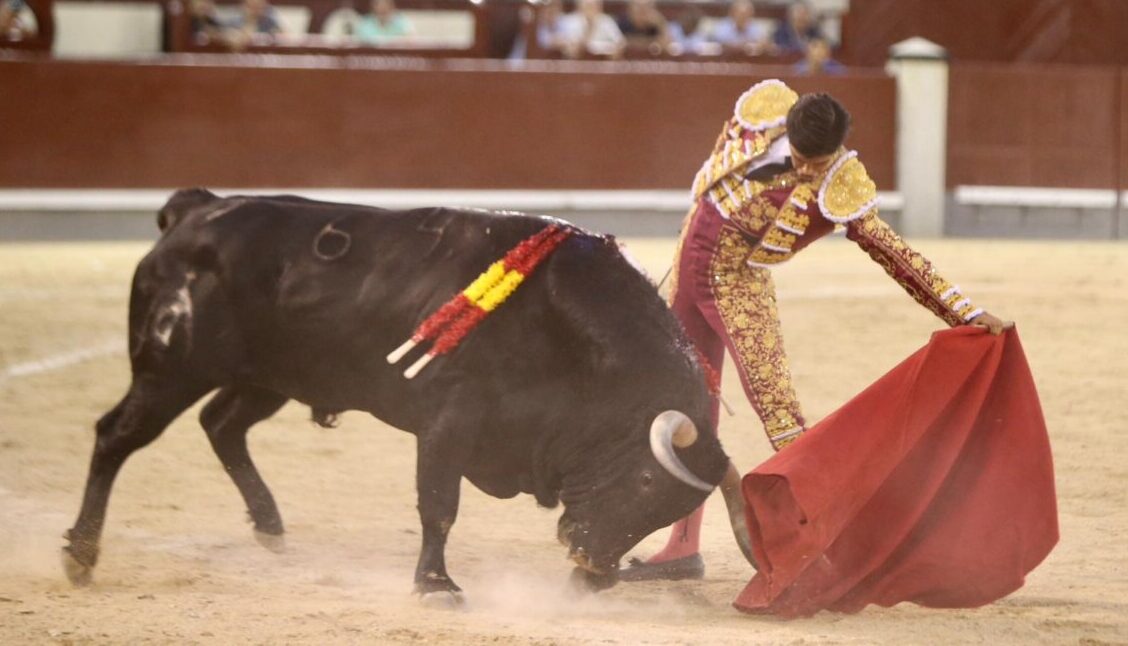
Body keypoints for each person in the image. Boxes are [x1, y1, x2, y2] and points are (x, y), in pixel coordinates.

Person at [619, 79, 1012, 581]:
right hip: (687, 265)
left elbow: (895, 254)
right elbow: (712, 193)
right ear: (787, 130)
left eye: (817, 163)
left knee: (780, 416)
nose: (805, 170)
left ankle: (822, 545)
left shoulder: (839, 185)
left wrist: (962, 310)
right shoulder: (764, 113)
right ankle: (681, 548)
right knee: (686, 403)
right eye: (801, 157)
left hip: (737, 284)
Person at [557, 0, 624, 59]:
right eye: (588, 6)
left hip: (603, 62)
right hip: (579, 62)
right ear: (580, 7)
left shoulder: (607, 21)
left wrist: (615, 51)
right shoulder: (572, 22)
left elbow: (620, 42)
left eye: (594, 6)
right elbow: (569, 48)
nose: (591, 10)